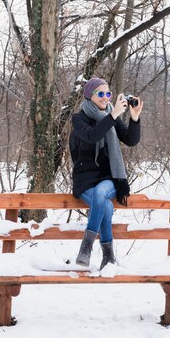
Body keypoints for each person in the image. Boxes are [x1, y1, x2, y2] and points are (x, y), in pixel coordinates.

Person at [69, 77, 143, 269]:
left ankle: (86, 246)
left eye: (108, 94)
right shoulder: (79, 119)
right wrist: (114, 115)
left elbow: (130, 140)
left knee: (101, 194)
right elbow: (92, 135)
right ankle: (108, 257)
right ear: (89, 95)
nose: (105, 98)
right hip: (85, 180)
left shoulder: (112, 116)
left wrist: (134, 118)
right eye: (100, 94)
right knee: (106, 208)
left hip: (109, 179)